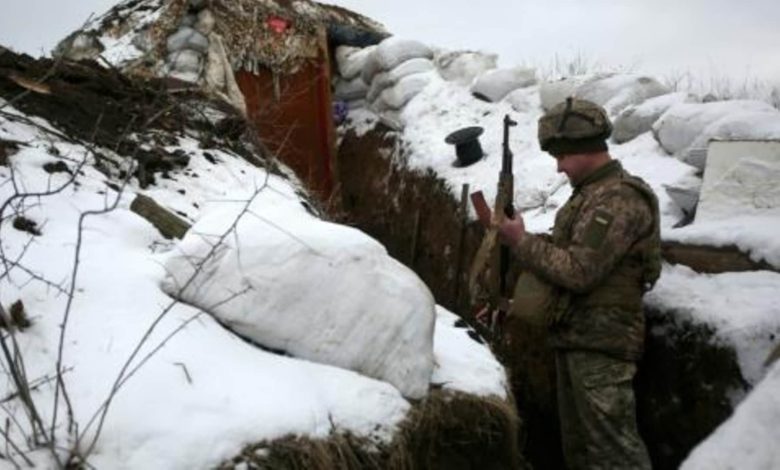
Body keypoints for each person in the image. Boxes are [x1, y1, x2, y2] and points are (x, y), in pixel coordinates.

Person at [494, 97, 661, 469]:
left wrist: (521, 242)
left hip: (602, 345)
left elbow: (579, 271)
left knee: (613, 455)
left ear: (584, 148)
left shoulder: (617, 199)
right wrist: (524, 238)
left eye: (562, 156)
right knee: (581, 451)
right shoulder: (591, 194)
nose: (559, 166)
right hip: (576, 336)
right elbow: (573, 251)